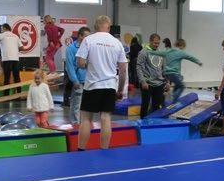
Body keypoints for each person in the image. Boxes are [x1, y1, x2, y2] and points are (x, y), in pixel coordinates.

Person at [75, 15, 128, 150]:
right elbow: (123, 70)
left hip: (92, 85)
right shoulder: (117, 43)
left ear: (95, 26)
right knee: (106, 118)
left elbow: (80, 63)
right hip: (109, 86)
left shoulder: (89, 40)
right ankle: (104, 150)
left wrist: (90, 65)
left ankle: (81, 149)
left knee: (86, 119)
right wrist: (120, 90)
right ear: (109, 27)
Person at [137, 34, 167, 118]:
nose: (156, 45)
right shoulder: (144, 52)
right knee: (145, 105)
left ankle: (154, 125)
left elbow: (164, 68)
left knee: (157, 106)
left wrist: (167, 81)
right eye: (155, 43)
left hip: (159, 83)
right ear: (150, 41)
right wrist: (143, 81)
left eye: (158, 43)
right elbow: (138, 67)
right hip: (147, 83)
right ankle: (142, 123)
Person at [64, 27, 90, 124]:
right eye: (86, 36)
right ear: (80, 36)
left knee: (86, 107)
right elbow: (69, 66)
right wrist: (75, 80)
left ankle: (84, 125)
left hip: (89, 81)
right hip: (78, 81)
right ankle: (75, 125)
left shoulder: (89, 47)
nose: (88, 39)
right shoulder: (71, 49)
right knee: (76, 106)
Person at [0, 23, 21, 95]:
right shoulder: (16, 36)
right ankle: (19, 94)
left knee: (7, 78)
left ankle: (6, 95)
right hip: (15, 59)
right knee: (17, 78)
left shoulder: (2, 35)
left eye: (2, 28)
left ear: (5, 28)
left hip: (7, 59)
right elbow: (21, 47)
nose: (1, 30)